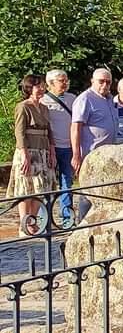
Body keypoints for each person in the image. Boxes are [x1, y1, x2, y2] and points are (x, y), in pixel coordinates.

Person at [6, 75, 56, 236]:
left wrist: (52, 151)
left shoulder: (45, 108)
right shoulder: (23, 107)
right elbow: (19, 132)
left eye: (43, 86)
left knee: (40, 188)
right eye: (38, 86)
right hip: (28, 151)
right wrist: (25, 154)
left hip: (43, 151)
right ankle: (24, 223)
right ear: (29, 88)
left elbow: (50, 132)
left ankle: (33, 221)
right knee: (25, 188)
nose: (42, 89)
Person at [71, 67, 119, 177]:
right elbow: (75, 128)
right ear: (92, 81)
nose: (105, 85)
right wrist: (76, 154)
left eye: (108, 82)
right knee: (90, 189)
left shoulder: (110, 99)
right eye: (101, 81)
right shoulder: (85, 99)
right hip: (91, 154)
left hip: (108, 153)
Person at [43, 69, 76, 225]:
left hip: (68, 147)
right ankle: (44, 219)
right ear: (51, 83)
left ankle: (67, 217)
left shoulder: (72, 99)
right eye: (61, 80)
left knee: (67, 182)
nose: (65, 83)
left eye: (66, 79)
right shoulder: (43, 101)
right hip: (51, 148)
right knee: (47, 184)